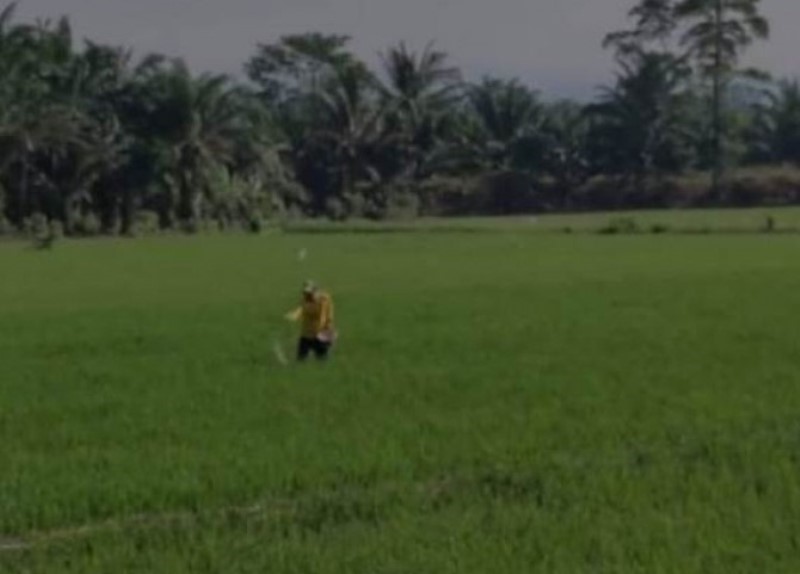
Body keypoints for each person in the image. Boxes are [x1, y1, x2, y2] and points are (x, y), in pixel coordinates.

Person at [285, 281, 336, 361]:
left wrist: (328, 328)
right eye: (306, 293)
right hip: (306, 334)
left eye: (310, 293)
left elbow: (327, 315)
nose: (308, 295)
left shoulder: (324, 300)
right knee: (301, 359)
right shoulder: (305, 299)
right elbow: (301, 309)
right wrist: (294, 315)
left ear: (316, 291)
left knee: (322, 360)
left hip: (320, 335)